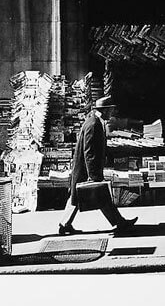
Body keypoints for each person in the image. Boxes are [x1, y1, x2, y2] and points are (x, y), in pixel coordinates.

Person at [58, 95, 138, 235]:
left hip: (85, 169)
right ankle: (120, 223)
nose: (113, 113)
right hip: (86, 170)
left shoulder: (95, 121)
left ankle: (65, 224)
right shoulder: (93, 124)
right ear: (105, 110)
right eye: (111, 110)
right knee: (101, 196)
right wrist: (93, 175)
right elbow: (89, 151)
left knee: (76, 198)